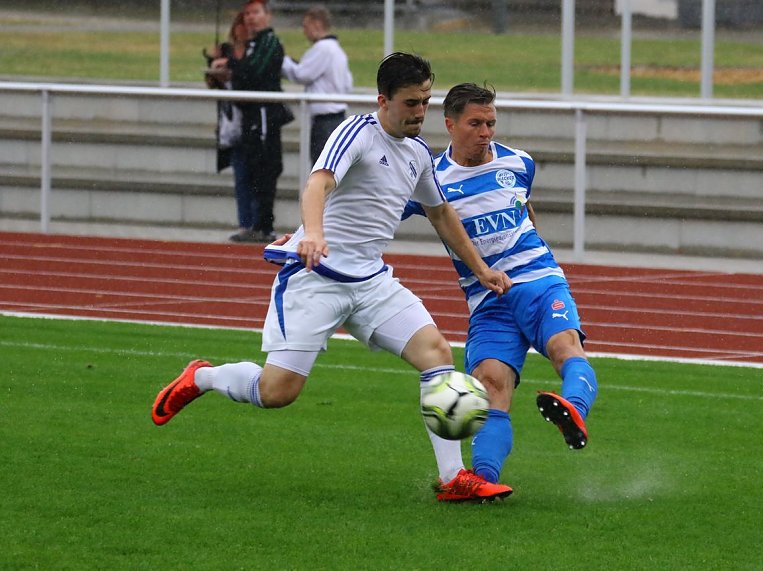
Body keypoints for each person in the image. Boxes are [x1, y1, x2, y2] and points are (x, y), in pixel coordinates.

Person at [151, 53, 514, 503]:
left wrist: (481, 268)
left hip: (372, 282)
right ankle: (203, 377)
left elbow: (441, 214)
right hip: (316, 276)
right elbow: (318, 184)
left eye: (424, 101)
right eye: (410, 103)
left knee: (437, 354)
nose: (420, 112)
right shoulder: (356, 133)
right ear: (383, 100)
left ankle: (453, 477)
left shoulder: (419, 153)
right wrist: (313, 234)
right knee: (277, 392)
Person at [401, 83, 599, 487]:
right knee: (491, 387)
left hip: (539, 281)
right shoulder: (430, 179)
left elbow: (524, 209)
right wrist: (307, 234)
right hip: (487, 300)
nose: (486, 132)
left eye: (491, 123)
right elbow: (373, 209)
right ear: (450, 124)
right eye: (475, 124)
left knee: (564, 346)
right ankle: (483, 479)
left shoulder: (519, 162)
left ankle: (574, 410)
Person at [210, 0, 290, 243]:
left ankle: (264, 226)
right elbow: (244, 75)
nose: (250, 18)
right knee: (254, 169)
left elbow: (253, 74)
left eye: (255, 12)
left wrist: (231, 65)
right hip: (251, 117)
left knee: (265, 168)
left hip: (264, 115)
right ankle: (258, 224)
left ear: (267, 15)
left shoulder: (269, 42)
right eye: (247, 14)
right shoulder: (254, 45)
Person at [204, 12, 258, 242]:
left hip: (251, 123)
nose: (243, 31)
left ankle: (258, 223)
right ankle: (245, 223)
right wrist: (211, 61)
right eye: (240, 26)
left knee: (256, 176)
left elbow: (249, 76)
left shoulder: (254, 52)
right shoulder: (225, 51)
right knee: (241, 177)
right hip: (230, 124)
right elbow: (211, 82)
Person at [280, 5, 353, 165]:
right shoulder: (338, 51)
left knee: (322, 168)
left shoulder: (323, 49)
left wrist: (281, 60)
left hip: (325, 122)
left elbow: (302, 74)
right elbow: (348, 83)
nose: (304, 31)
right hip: (337, 118)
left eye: (306, 26)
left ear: (317, 24)